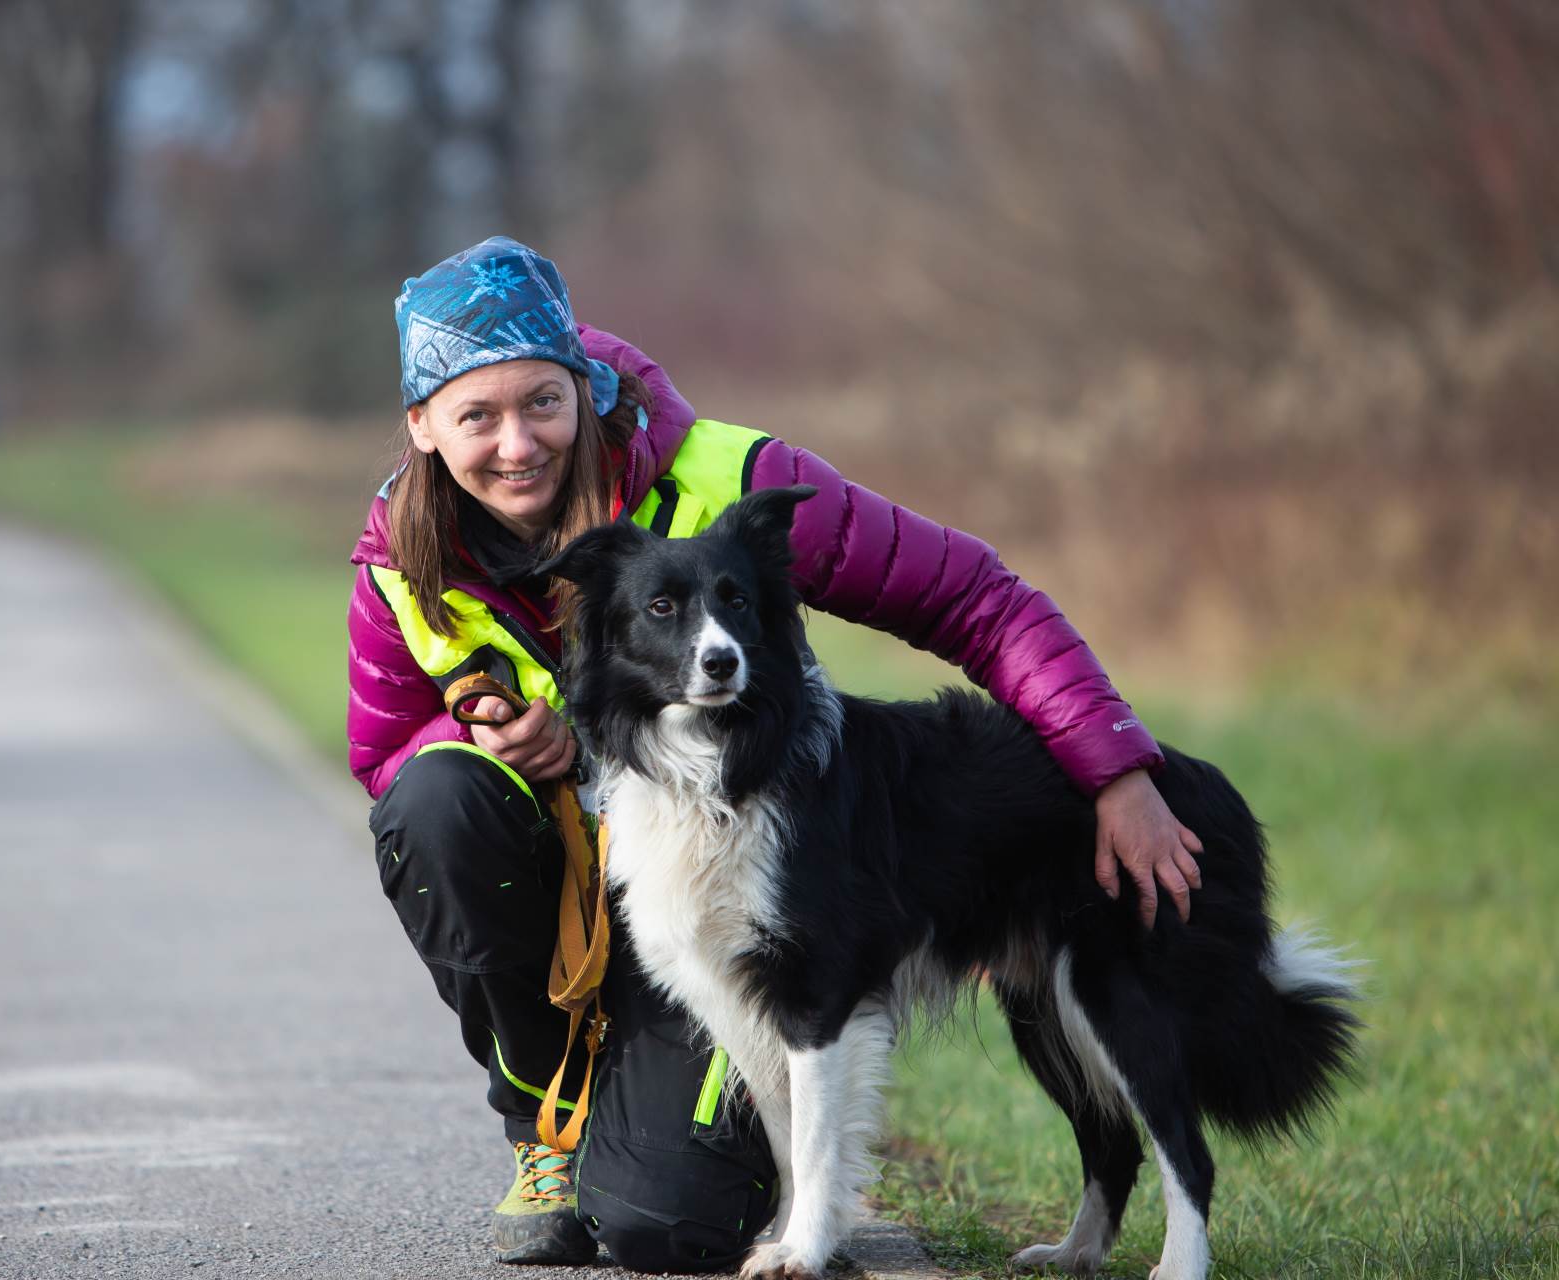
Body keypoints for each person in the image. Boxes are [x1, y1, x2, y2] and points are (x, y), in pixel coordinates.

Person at [346, 237, 1203, 1271]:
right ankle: (547, 1128)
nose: (516, 442)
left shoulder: (728, 479)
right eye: (476, 414)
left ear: (587, 386)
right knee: (436, 801)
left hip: (741, 888)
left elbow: (975, 594)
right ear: (423, 427)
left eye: (542, 402)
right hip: (577, 893)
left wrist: (1112, 766)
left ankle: (736, 1172)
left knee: (669, 1228)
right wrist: (497, 741)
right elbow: (385, 750)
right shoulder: (401, 554)